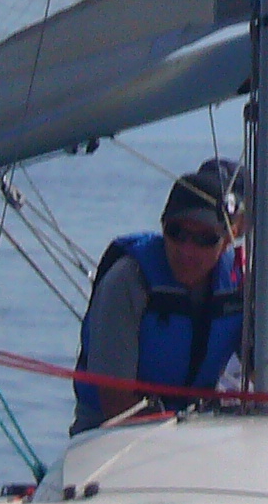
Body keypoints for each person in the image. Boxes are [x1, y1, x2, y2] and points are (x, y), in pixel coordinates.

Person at [72, 171, 245, 431]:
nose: (187, 250)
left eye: (205, 239)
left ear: (229, 239)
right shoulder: (128, 280)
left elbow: (265, 370)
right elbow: (114, 401)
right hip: (109, 430)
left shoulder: (242, 282)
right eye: (177, 233)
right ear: (163, 227)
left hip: (198, 427)